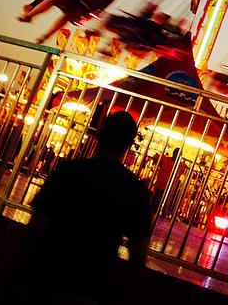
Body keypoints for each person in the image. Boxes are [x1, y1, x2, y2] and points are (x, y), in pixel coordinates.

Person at [14, 110, 151, 303]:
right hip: (89, 287)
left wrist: (17, 272)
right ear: (129, 145)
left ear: (99, 135)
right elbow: (138, 256)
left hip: (44, 276)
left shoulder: (67, 171)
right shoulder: (136, 190)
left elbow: (35, 227)